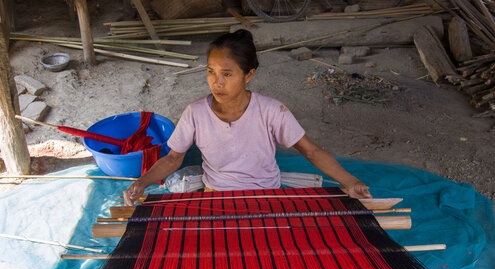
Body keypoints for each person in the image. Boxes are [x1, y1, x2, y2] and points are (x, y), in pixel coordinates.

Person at [124, 29, 371, 206]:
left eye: (227, 74)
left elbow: (312, 151)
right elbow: (173, 158)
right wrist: (142, 183)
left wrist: (351, 182)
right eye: (211, 72)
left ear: (249, 75)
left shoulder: (271, 111)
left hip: (266, 197)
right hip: (217, 195)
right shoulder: (196, 113)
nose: (216, 82)